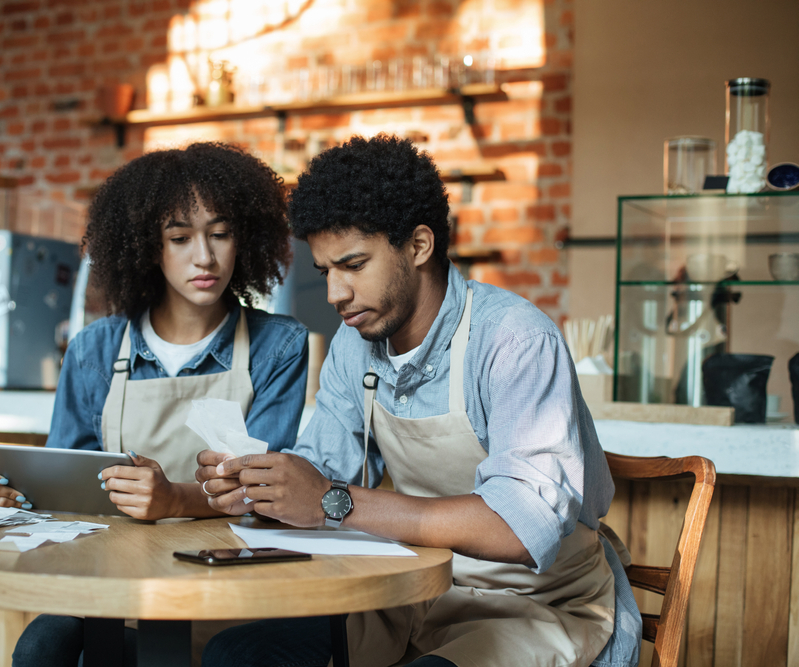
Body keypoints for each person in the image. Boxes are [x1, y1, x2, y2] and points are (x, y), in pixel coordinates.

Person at [197, 135, 642, 667]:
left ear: (419, 245)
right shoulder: (352, 345)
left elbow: (523, 528)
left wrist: (330, 501)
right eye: (325, 271)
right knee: (237, 655)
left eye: (354, 265)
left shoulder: (515, 340)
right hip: (409, 595)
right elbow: (323, 470)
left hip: (534, 604)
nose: (335, 293)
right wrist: (261, 487)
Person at [0, 142, 309, 666]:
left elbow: (267, 493)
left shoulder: (279, 345)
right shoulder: (95, 350)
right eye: (180, 238)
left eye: (221, 234)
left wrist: (175, 498)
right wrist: (15, 495)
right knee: (43, 644)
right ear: (149, 248)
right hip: (118, 585)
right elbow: (66, 490)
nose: (206, 256)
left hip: (233, 588)